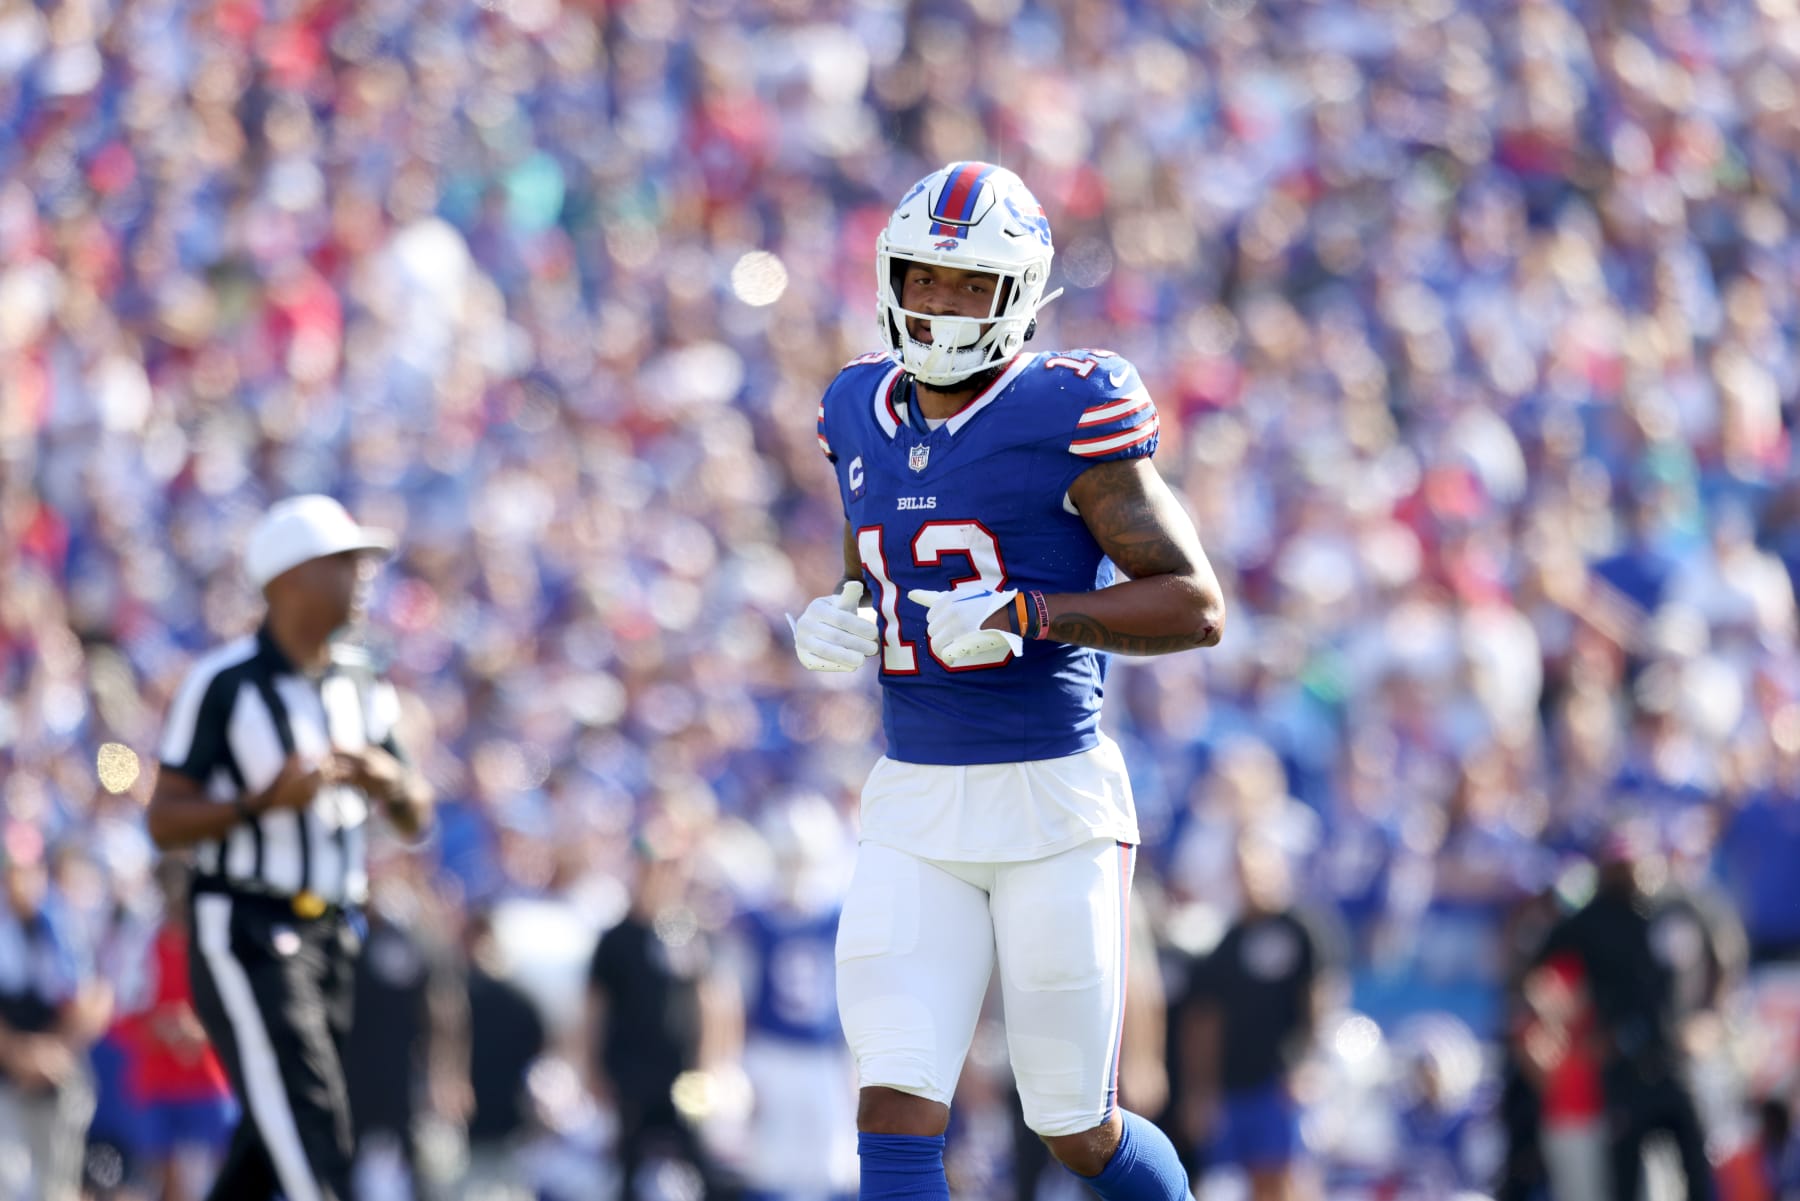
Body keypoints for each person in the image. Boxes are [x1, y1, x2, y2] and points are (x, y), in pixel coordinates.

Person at [792, 160, 1226, 1200]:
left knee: (1074, 1122)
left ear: (1019, 293)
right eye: (923, 277)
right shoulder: (857, 404)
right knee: (893, 1105)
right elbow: (884, 561)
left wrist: (1029, 614)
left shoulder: (1066, 409)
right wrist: (842, 610)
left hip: (1050, 802)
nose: (938, 304)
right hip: (914, 799)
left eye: (966, 283)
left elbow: (1193, 603)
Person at [146, 494, 435, 1201]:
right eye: (344, 562)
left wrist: (386, 775)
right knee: (309, 1123)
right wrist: (259, 802)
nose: (363, 575)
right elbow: (163, 818)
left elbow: (415, 813)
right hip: (247, 925)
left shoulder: (362, 680)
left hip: (332, 929)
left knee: (267, 1143)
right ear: (290, 580)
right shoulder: (225, 683)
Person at [1535, 824, 1715, 1201]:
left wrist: (1707, 1017)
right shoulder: (1591, 920)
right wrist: (1569, 1029)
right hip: (1622, 1063)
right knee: (1626, 1180)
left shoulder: (1675, 908)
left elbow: (1723, 959)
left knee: (1698, 1170)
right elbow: (1539, 972)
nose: (1629, 875)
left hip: (1676, 1059)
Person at [1177, 834, 1333, 1201]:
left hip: (1279, 1084)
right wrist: (1201, 1091)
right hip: (1233, 1087)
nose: (1251, 881)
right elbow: (1203, 1024)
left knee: (1287, 1178)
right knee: (1231, 1183)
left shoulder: (1301, 929)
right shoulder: (1225, 944)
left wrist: (1310, 1063)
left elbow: (1320, 997)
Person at [0, 824, 112, 1201]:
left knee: (56, 1188)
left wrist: (53, 1051)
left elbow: (96, 996)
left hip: (58, 1077)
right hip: (6, 1079)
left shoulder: (64, 923)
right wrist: (17, 1053)